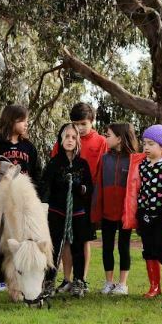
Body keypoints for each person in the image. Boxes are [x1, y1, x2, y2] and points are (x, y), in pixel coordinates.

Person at [122, 124, 162, 298]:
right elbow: (133, 191)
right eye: (144, 143)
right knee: (148, 249)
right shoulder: (140, 165)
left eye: (151, 144)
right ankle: (154, 286)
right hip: (144, 213)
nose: (146, 147)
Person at [51, 103, 107, 291]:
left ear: (92, 121)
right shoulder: (65, 139)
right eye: (76, 124)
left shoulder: (101, 142)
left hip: (87, 198)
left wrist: (93, 196)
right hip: (64, 200)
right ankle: (66, 279)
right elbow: (55, 164)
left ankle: (80, 280)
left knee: (83, 240)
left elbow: (102, 171)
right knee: (66, 239)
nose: (80, 128)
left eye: (83, 124)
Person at [0, 104, 41, 291]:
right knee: (1, 239)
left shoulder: (29, 148)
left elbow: (36, 174)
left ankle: (18, 276)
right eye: (22, 120)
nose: (26, 124)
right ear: (11, 121)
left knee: (20, 239)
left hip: (23, 203)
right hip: (2, 201)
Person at [40, 123, 94, 298]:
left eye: (73, 137)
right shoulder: (54, 163)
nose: (70, 140)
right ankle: (49, 281)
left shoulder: (83, 164)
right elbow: (45, 186)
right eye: (67, 137)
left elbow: (89, 188)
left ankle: (78, 281)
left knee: (78, 246)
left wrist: (81, 188)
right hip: (57, 211)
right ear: (61, 140)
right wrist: (45, 204)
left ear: (77, 141)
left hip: (77, 212)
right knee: (54, 247)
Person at [92, 123, 139, 295]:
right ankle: (109, 282)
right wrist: (96, 210)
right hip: (107, 212)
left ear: (119, 139)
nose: (106, 138)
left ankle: (123, 284)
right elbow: (99, 184)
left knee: (123, 247)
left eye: (108, 135)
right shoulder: (105, 159)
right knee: (107, 247)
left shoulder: (134, 160)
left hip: (125, 213)